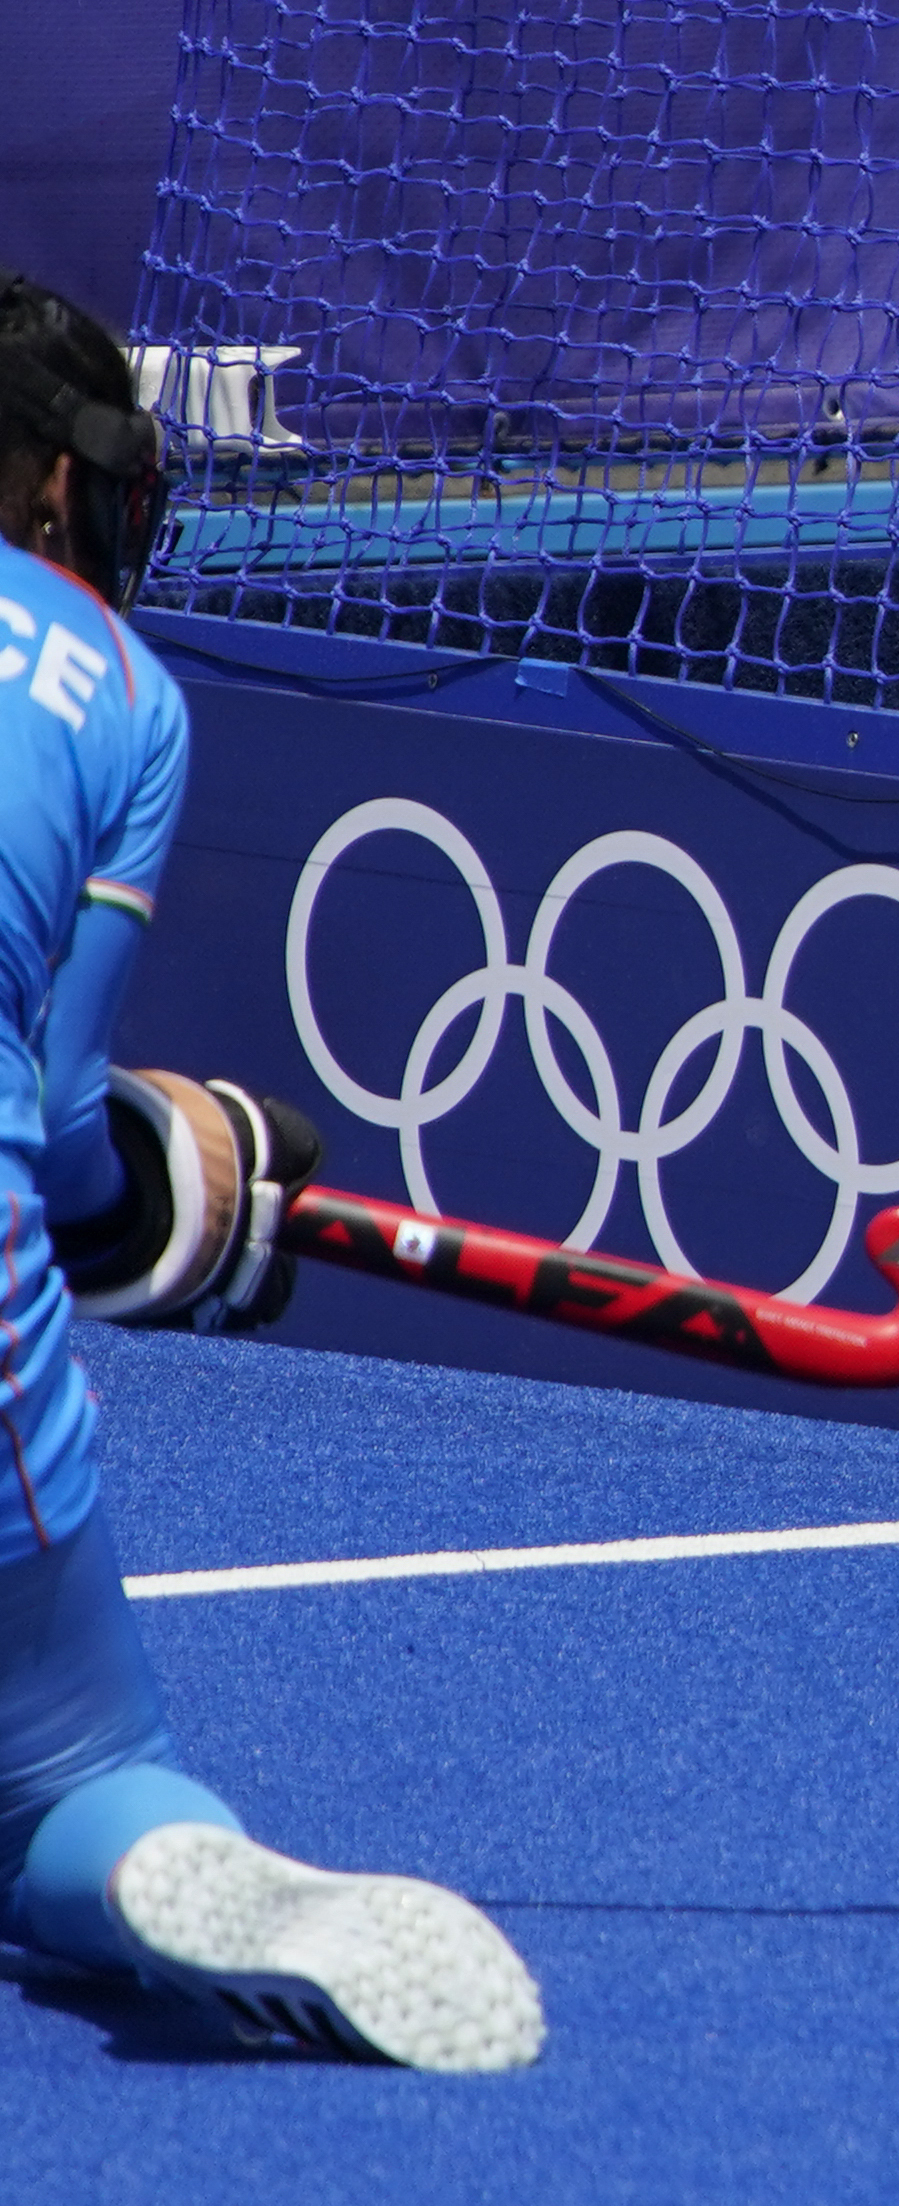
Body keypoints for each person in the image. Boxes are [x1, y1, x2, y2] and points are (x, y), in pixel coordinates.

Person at [0, 278, 543, 2072]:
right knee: (76, 1779)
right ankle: (169, 1864)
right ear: (53, 491)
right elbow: (64, 1124)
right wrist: (186, 1193)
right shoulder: (122, 701)